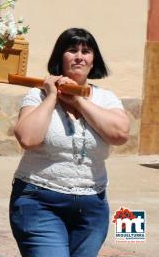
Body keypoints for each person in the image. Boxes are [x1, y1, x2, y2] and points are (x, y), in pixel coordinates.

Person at [10, 28, 130, 257]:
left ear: (93, 60)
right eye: (72, 50)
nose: (79, 56)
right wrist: (52, 96)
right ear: (59, 57)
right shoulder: (38, 96)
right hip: (39, 201)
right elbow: (27, 138)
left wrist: (78, 100)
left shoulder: (106, 98)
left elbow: (120, 134)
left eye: (86, 51)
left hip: (92, 207)